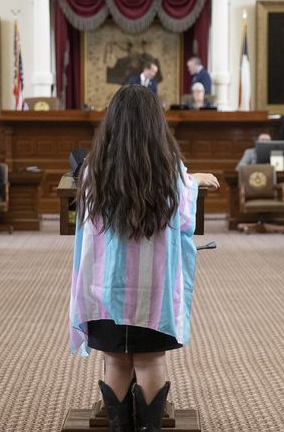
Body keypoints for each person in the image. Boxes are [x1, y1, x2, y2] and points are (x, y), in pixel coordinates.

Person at [69, 85, 219, 431]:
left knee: (117, 362)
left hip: (105, 289)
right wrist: (191, 180)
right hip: (154, 292)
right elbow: (184, 219)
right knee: (151, 361)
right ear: (155, 123)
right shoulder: (170, 171)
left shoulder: (94, 170)